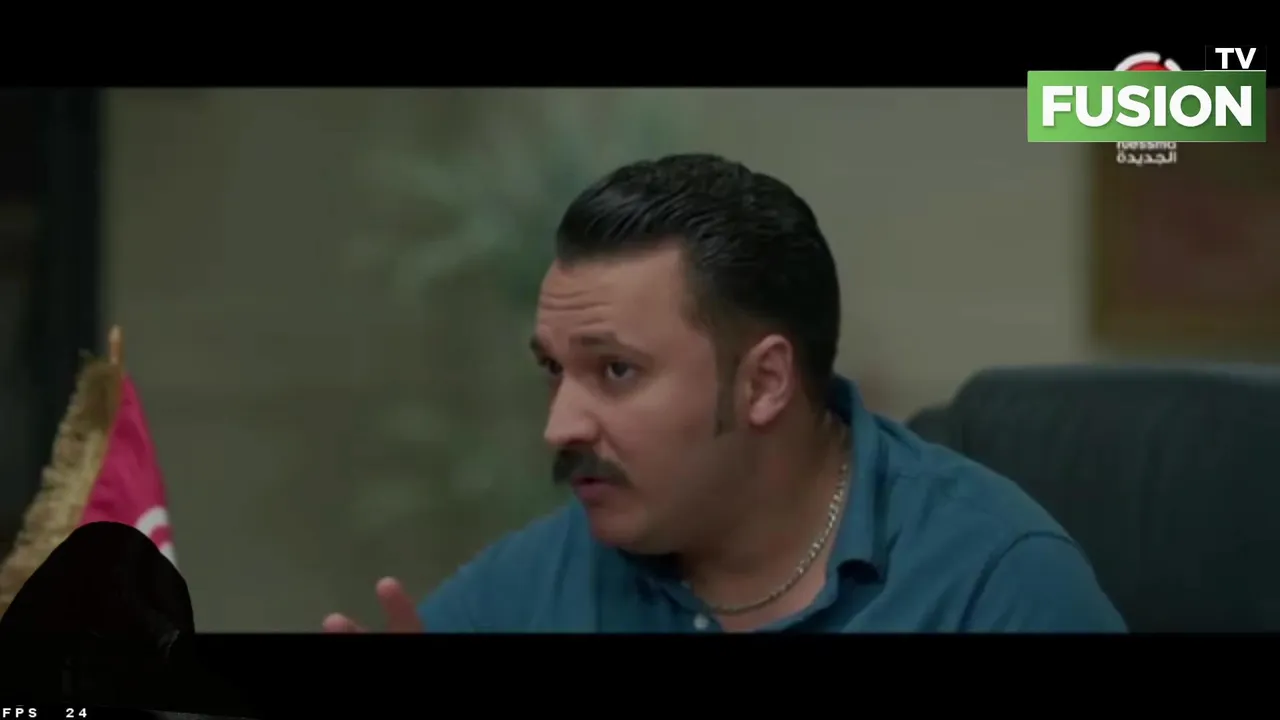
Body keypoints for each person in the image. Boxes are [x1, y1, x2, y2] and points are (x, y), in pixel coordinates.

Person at [323, 153, 1127, 633]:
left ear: (763, 382)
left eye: (616, 371)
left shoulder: (997, 587)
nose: (560, 426)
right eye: (554, 371)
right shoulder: (543, 577)